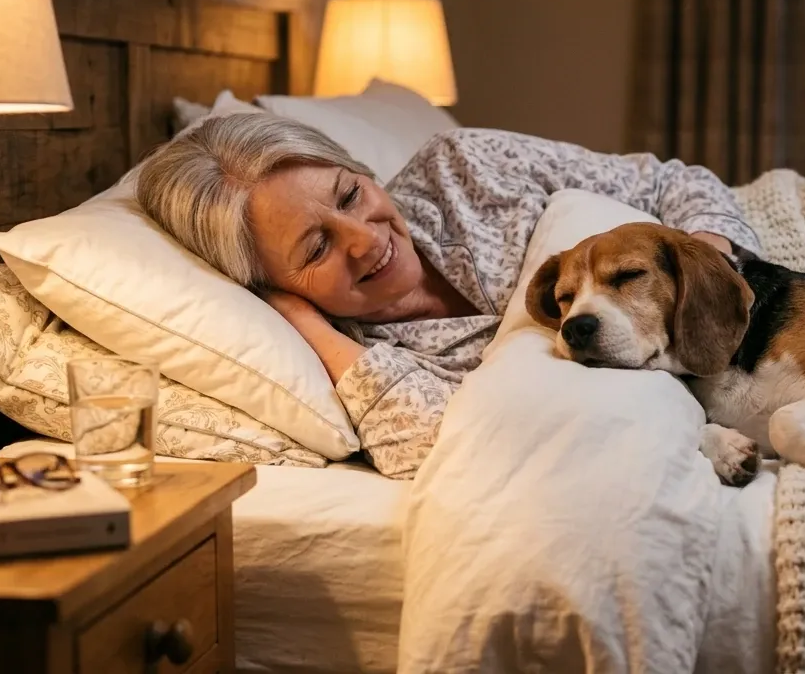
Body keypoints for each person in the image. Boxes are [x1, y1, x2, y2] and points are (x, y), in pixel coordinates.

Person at [136, 112, 762, 478]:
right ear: (268, 282)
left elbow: (671, 182)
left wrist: (706, 268)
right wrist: (311, 328)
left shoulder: (465, 167)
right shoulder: (375, 364)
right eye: (316, 249)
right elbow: (445, 456)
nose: (366, 240)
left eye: (352, 195)